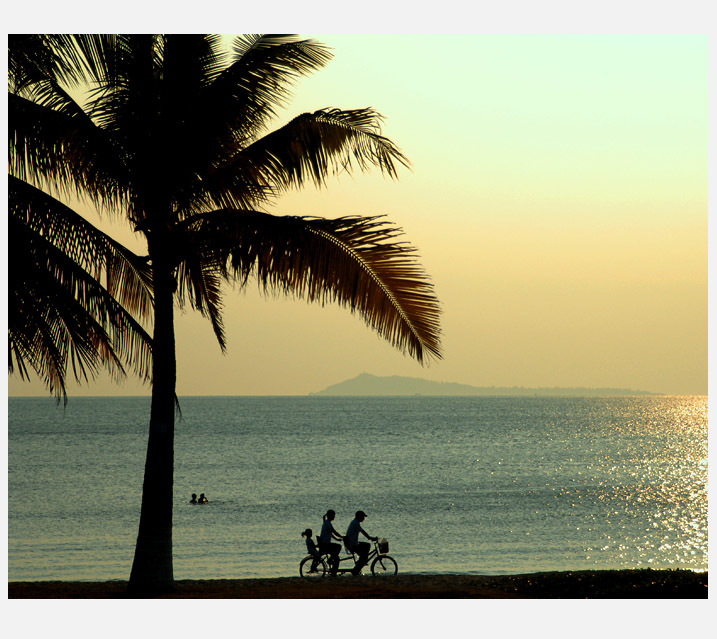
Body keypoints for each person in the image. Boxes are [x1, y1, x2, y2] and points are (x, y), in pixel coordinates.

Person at [345, 510, 377, 575]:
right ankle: (361, 562)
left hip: (353, 543)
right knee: (365, 554)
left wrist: (369, 538)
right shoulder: (355, 523)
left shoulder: (355, 522)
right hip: (352, 545)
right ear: (359, 517)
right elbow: (363, 532)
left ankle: (362, 560)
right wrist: (370, 538)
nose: (363, 518)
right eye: (363, 517)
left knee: (366, 545)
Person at [318, 509, 343, 576]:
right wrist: (342, 537)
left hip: (325, 544)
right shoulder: (328, 523)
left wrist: (337, 539)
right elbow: (334, 531)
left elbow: (330, 534)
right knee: (338, 547)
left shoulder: (326, 522)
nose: (334, 517)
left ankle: (333, 567)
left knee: (336, 556)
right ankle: (330, 560)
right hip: (325, 544)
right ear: (330, 516)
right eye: (333, 515)